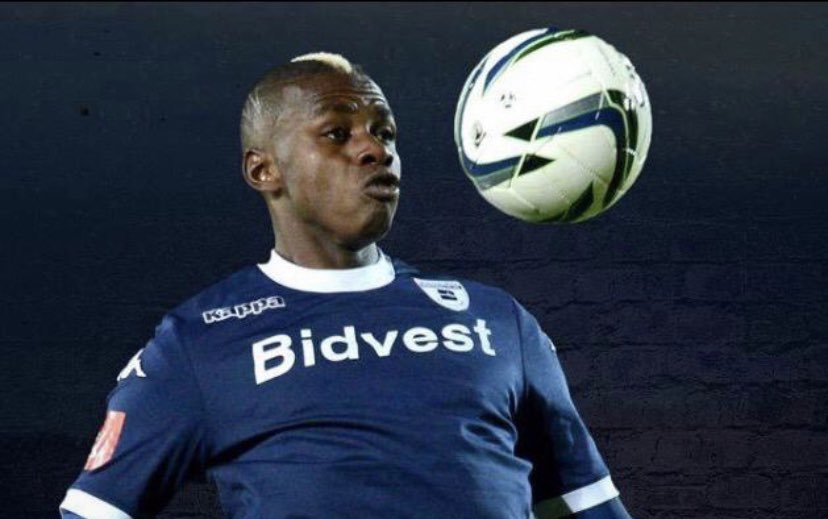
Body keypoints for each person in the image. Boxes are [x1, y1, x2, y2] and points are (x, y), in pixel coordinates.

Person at [59, 52, 632, 519]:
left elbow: (587, 507)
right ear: (264, 170)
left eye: (384, 132)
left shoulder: (497, 321)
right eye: (337, 133)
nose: (376, 149)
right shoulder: (199, 342)